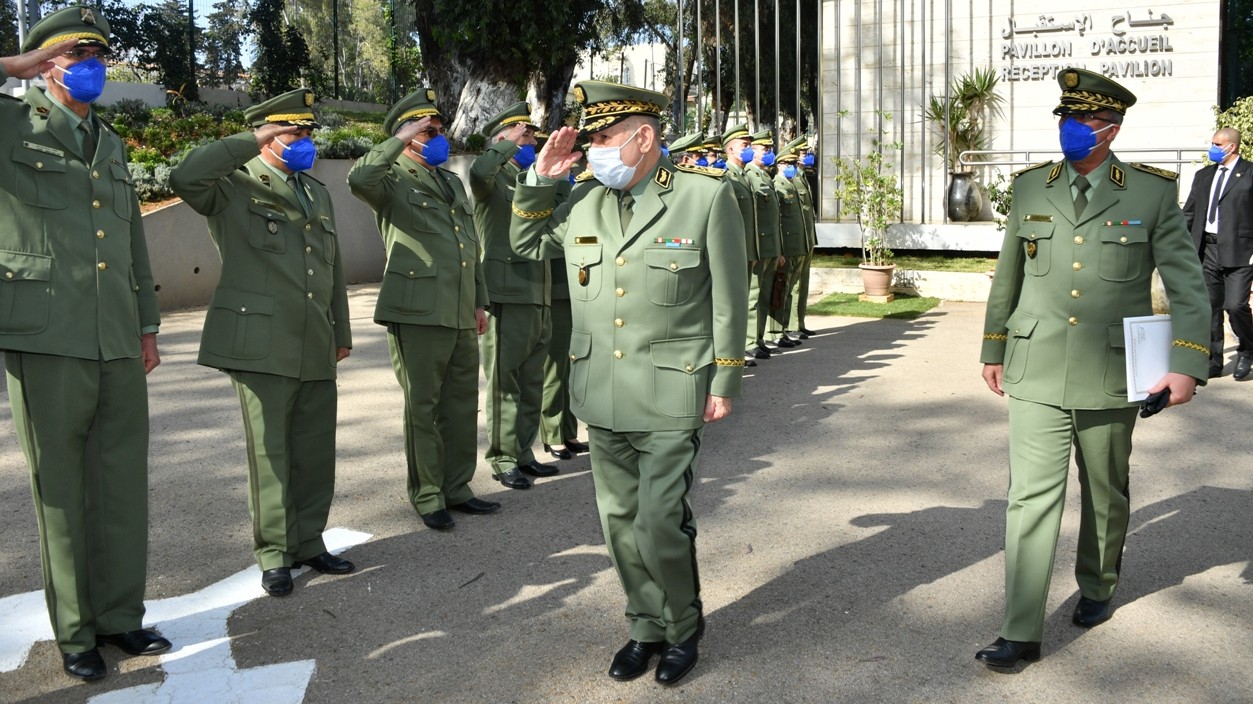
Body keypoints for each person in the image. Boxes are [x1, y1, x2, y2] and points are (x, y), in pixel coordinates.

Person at [510, 80, 747, 686]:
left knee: (659, 517)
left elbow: (728, 295)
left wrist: (725, 378)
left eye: (604, 138)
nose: (593, 151)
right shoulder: (583, 203)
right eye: (589, 141)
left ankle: (683, 626)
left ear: (644, 138)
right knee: (618, 520)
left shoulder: (702, 198)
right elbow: (525, 242)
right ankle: (644, 625)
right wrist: (543, 177)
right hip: (602, 388)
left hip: (672, 387)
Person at [976, 68, 1210, 668]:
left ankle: (1099, 584)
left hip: (1110, 371)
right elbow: (1009, 275)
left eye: (1082, 121)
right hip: (1036, 365)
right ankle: (1021, 628)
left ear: (1111, 128)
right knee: (1028, 498)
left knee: (1104, 491)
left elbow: (1187, 288)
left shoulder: (1150, 193)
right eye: (1065, 119)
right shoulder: (1030, 188)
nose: (1070, 130)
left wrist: (1186, 366)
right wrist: (994, 346)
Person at [0, 6, 168, 681]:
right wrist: (10, 69)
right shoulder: (11, 125)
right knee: (63, 490)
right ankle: (74, 632)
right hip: (47, 335)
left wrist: (147, 323)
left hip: (115, 335)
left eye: (98, 57)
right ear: (46, 66)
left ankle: (119, 616)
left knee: (121, 481)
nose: (94, 68)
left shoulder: (110, 141)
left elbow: (129, 241)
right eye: (79, 56)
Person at [170, 88, 355, 599]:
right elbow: (184, 177)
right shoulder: (232, 186)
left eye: (307, 132)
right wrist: (249, 141)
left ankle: (309, 540)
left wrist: (339, 330)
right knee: (271, 450)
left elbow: (332, 270)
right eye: (292, 132)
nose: (304, 141)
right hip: (262, 339)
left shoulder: (314, 192)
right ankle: (274, 553)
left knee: (315, 447)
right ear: (267, 136)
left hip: (314, 336)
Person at [348, 88, 497, 532]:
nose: (437, 137)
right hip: (416, 310)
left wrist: (479, 300)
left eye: (437, 130)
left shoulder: (450, 180)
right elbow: (358, 179)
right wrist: (398, 139)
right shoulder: (390, 177)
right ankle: (428, 494)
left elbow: (469, 245)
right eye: (427, 130)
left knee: (460, 403)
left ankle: (457, 486)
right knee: (424, 406)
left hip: (457, 309)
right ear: (407, 135)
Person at [470, 102, 560, 488]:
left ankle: (524, 451)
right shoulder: (494, 178)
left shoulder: (529, 176)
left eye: (532, 137)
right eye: (525, 135)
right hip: (506, 291)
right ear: (503, 139)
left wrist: (548, 166)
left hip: (538, 290)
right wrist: (508, 143)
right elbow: (478, 171)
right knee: (505, 381)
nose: (532, 142)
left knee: (532, 379)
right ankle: (503, 456)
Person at [1183, 127, 1253, 379]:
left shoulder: (1250, 173)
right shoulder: (1203, 176)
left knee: (1235, 306)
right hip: (1207, 249)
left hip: (1240, 251)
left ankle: (1247, 349)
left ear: (1231, 147)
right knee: (1210, 307)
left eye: (1216, 144)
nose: (1211, 148)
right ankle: (1213, 362)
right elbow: (1189, 213)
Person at [721, 124, 763, 367]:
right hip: (735, 251)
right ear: (730, 149)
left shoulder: (744, 176)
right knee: (735, 303)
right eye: (745, 146)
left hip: (748, 249)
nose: (749, 150)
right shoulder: (726, 176)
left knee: (747, 300)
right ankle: (735, 351)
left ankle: (744, 346)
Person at [743, 129, 785, 359]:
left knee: (763, 295)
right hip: (757, 246)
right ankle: (749, 340)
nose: (768, 152)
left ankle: (758, 338)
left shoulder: (764, 176)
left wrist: (777, 249)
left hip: (769, 247)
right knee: (752, 295)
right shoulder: (749, 174)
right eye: (764, 149)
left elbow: (774, 218)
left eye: (769, 148)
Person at [769, 144, 808, 346]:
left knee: (794, 287)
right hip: (787, 246)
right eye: (789, 163)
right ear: (780, 165)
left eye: (794, 163)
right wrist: (781, 249)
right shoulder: (778, 185)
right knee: (781, 288)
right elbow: (778, 221)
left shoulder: (792, 184)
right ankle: (776, 331)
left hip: (799, 244)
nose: (793, 166)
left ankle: (789, 327)